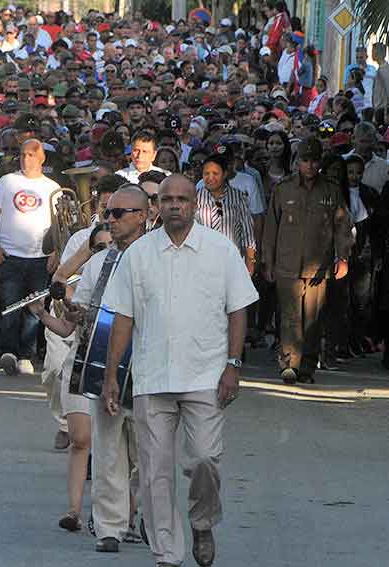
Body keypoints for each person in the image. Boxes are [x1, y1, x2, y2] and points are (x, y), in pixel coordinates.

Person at [102, 174, 258, 567]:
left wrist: (233, 365)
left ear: (194, 204)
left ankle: (202, 523)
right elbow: (122, 316)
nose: (174, 205)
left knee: (205, 459)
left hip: (206, 376)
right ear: (157, 207)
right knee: (155, 473)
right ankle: (167, 555)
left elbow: (238, 309)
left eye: (182, 199)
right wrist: (110, 376)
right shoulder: (138, 254)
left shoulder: (220, 250)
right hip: (152, 378)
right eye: (167, 199)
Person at [31, 186, 149, 550]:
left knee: (147, 452)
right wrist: (72, 311)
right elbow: (80, 313)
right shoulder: (99, 261)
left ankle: (143, 516)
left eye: (118, 214)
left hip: (147, 366)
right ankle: (110, 527)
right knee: (109, 448)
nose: (109, 221)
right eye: (107, 214)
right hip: (106, 365)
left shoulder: (157, 258)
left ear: (143, 216)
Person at [262, 138, 354, 384]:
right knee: (290, 316)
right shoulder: (284, 189)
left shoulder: (331, 190)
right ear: (297, 162)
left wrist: (342, 257)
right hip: (286, 264)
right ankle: (289, 364)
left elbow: (343, 226)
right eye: (305, 160)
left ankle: (307, 367)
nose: (310, 165)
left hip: (318, 266)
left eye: (314, 160)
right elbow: (271, 227)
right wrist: (267, 261)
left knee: (312, 318)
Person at [0, 139, 58, 376]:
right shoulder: (7, 182)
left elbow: (59, 225)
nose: (26, 159)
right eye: (23, 154)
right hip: (10, 257)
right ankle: (8, 352)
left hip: (40, 257)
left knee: (34, 309)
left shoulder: (52, 187)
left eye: (31, 155)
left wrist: (55, 252)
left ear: (41, 158)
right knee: (9, 307)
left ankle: (26, 354)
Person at [195, 153, 257, 272]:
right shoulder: (195, 197)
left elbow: (247, 232)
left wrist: (250, 261)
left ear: (225, 174)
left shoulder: (238, 197)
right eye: (206, 173)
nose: (210, 177)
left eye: (215, 173)